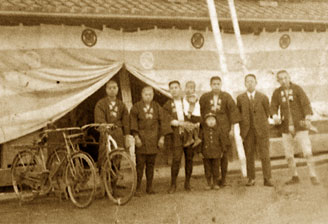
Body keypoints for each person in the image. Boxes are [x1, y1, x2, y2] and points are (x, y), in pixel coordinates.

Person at [271, 70, 320, 185]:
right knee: (288, 155)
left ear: (289, 77)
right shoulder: (277, 92)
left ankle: (313, 175)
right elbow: (273, 106)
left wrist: (307, 118)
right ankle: (294, 176)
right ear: (277, 80)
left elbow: (306, 104)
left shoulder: (297, 89)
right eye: (280, 79)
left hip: (300, 127)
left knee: (307, 152)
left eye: (285, 78)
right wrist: (274, 116)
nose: (283, 81)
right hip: (286, 128)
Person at [199, 76, 240, 187]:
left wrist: (231, 129)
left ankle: (224, 178)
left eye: (218, 84)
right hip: (209, 130)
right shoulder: (205, 97)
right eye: (214, 84)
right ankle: (212, 179)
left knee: (224, 154)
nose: (216, 86)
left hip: (223, 129)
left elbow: (233, 113)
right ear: (210, 85)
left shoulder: (226, 96)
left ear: (221, 84)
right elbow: (201, 114)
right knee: (210, 155)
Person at [130, 86, 171, 196]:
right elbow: (133, 123)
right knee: (140, 166)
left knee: (151, 165)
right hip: (141, 141)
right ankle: (137, 188)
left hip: (153, 140)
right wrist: (136, 137)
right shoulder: (136, 107)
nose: (148, 97)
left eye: (150, 94)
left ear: (153, 95)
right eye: (146, 94)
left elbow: (163, 122)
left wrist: (162, 137)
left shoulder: (157, 107)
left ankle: (149, 187)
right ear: (142, 95)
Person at [163, 80, 201, 193]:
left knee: (189, 158)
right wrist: (180, 123)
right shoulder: (167, 105)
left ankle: (187, 183)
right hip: (176, 134)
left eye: (176, 87)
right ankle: (173, 184)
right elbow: (167, 119)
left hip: (189, 133)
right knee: (176, 159)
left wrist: (193, 124)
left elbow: (196, 114)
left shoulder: (187, 101)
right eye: (172, 88)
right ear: (169, 91)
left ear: (180, 89)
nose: (174, 90)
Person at [236, 74, 273, 187]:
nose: (250, 83)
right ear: (244, 84)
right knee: (249, 155)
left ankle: (267, 178)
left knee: (265, 155)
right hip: (247, 132)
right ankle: (251, 178)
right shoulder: (240, 98)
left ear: (256, 83)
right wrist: (242, 130)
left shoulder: (263, 97)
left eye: (252, 81)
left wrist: (263, 126)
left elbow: (268, 113)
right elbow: (238, 115)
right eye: (247, 81)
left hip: (262, 131)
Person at [94, 80, 130, 167]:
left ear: (117, 89)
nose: (112, 90)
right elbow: (99, 118)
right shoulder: (101, 104)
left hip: (118, 134)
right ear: (106, 90)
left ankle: (115, 178)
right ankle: (103, 177)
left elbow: (126, 121)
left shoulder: (121, 105)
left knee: (117, 157)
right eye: (110, 88)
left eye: (114, 88)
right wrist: (105, 126)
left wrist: (127, 134)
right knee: (105, 156)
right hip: (106, 133)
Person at [199, 113, 222, 190]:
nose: (211, 122)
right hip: (206, 153)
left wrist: (222, 151)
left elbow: (222, 141)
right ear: (205, 122)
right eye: (209, 120)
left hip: (216, 153)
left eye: (213, 120)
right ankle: (209, 183)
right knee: (207, 168)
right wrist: (200, 152)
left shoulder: (218, 130)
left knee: (216, 168)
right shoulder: (203, 131)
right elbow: (200, 142)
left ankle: (215, 183)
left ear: (215, 121)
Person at [183, 81, 202, 148]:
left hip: (193, 114)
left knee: (190, 126)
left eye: (191, 88)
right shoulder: (187, 96)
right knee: (193, 128)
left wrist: (189, 113)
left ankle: (191, 139)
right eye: (187, 87)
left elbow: (192, 104)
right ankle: (195, 138)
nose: (188, 89)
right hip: (194, 115)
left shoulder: (192, 96)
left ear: (194, 90)